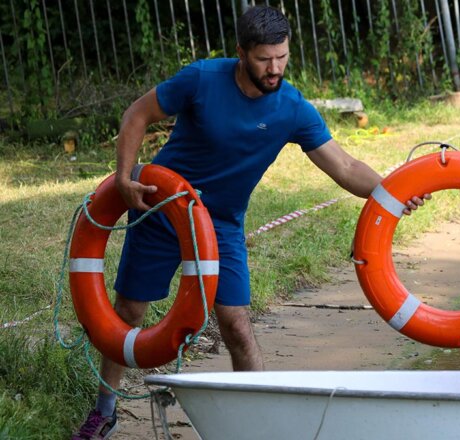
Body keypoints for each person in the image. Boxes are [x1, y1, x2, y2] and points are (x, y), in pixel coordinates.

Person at [71, 6, 427, 439]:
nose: (274, 68)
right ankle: (104, 412)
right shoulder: (201, 79)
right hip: (162, 208)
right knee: (129, 312)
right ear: (241, 52)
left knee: (237, 325)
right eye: (264, 59)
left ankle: (258, 424)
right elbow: (136, 115)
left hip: (221, 224)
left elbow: (346, 167)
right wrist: (125, 178)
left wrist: (393, 193)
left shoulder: (292, 108)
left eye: (282, 57)